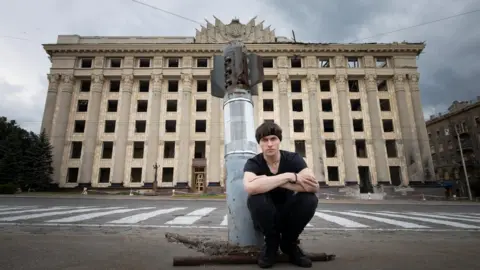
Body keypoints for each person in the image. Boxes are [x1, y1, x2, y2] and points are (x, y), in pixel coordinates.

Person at [243, 121, 320, 268]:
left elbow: (314, 186)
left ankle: (289, 244)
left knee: (309, 199)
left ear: (279, 141)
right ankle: (271, 244)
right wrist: (288, 177)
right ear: (259, 143)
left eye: (273, 139)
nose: (269, 144)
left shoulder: (293, 159)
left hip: (288, 215)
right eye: (265, 140)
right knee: (256, 197)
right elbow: (250, 188)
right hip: (265, 216)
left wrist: (267, 180)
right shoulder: (254, 162)